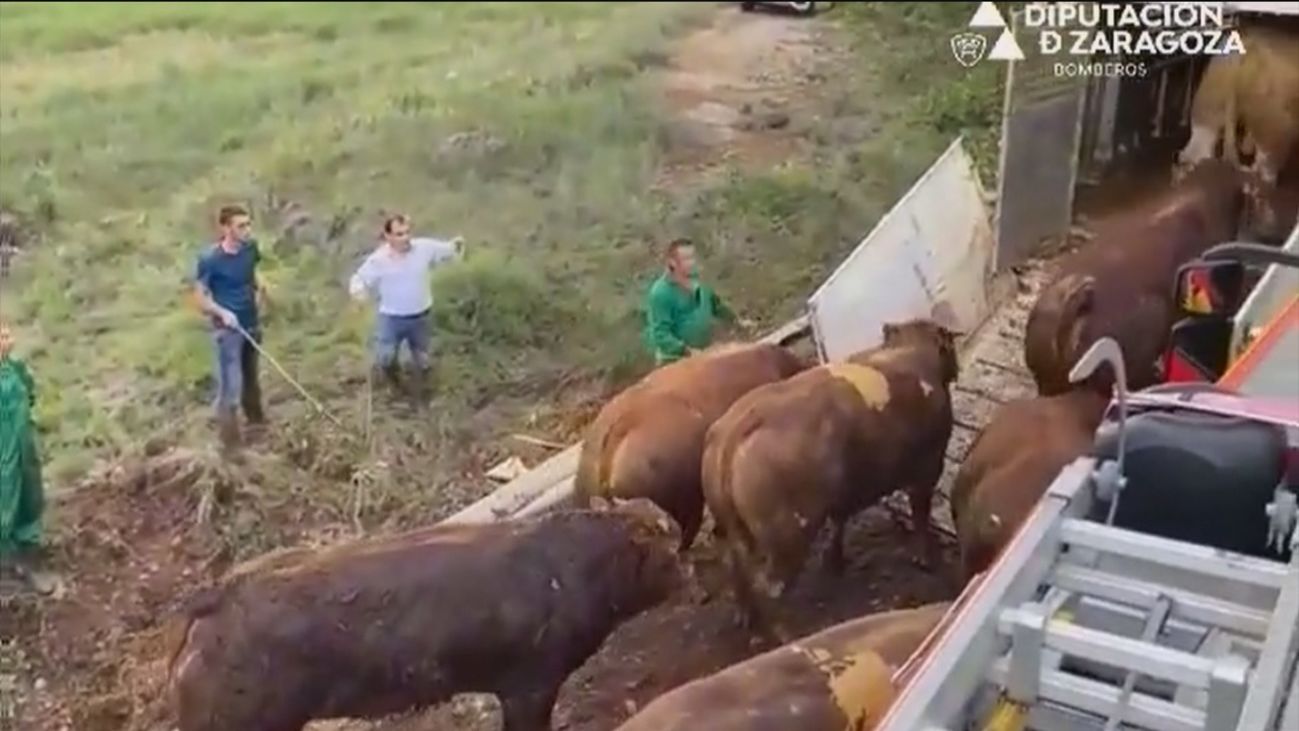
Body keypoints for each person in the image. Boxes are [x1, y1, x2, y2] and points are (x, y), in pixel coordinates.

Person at [348, 213, 464, 403]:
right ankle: (394, 384)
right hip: (391, 318)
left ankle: (422, 392)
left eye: (408, 232)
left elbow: (448, 250)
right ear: (388, 236)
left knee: (422, 357)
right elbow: (359, 278)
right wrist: (358, 293)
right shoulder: (379, 260)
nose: (406, 238)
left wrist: (456, 245)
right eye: (400, 234)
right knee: (385, 357)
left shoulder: (424, 248)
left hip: (421, 315)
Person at [193, 204, 269, 456]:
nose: (247, 230)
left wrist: (261, 290)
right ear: (225, 228)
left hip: (251, 322)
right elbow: (201, 299)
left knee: (251, 380)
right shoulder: (210, 259)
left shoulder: (250, 248)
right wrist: (222, 312)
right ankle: (230, 445)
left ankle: (258, 428)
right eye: (240, 226)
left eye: (248, 224)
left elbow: (252, 274)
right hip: (227, 331)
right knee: (230, 387)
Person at [0, 320, 56, 595]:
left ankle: (26, 552)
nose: (8, 339)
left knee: (29, 495)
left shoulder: (15, 369)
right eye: (1, 336)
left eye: (8, 333)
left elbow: (29, 395)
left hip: (23, 448)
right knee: (5, 502)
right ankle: (8, 563)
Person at [643, 238, 751, 366]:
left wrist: (737, 322)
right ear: (672, 262)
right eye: (687, 259)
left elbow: (717, 305)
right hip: (675, 362)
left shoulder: (699, 281)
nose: (692, 263)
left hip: (703, 355)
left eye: (693, 257)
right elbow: (660, 334)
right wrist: (686, 351)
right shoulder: (660, 293)